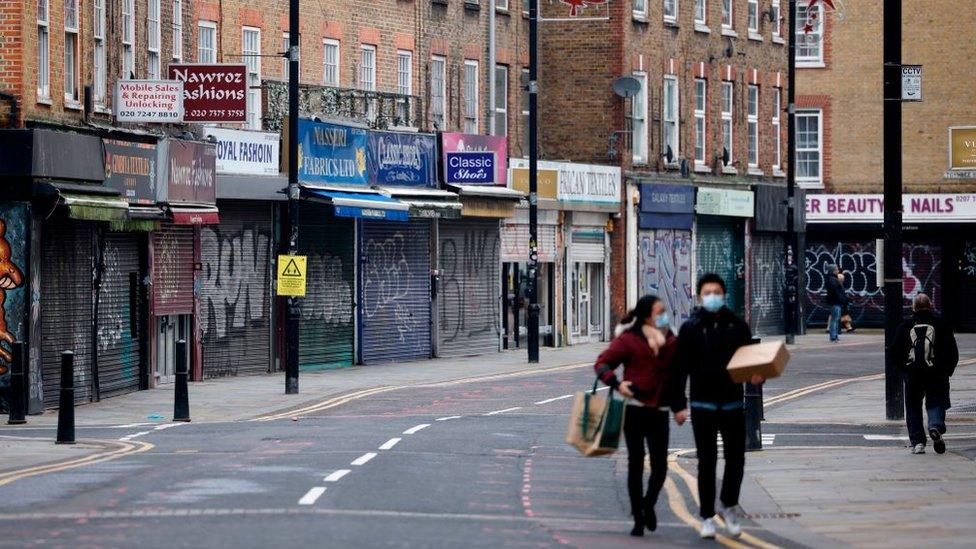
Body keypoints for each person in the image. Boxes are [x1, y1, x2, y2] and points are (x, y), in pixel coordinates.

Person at [670, 273, 764, 539]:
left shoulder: (737, 326)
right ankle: (707, 516)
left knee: (736, 460)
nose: (712, 296)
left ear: (724, 295)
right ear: (700, 297)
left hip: (733, 403)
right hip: (702, 405)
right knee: (707, 462)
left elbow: (752, 361)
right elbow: (679, 370)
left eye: (717, 292)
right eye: (707, 292)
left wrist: (758, 377)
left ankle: (728, 505)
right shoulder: (690, 328)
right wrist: (678, 405)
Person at [593, 295, 678, 537]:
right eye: (659, 311)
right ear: (646, 315)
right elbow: (602, 363)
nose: (663, 315)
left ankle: (648, 503)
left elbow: (679, 370)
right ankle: (638, 518)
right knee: (636, 463)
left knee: (660, 467)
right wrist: (617, 384)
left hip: (660, 409)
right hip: (635, 409)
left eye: (664, 311)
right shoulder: (629, 340)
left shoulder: (670, 339)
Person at [894, 293, 959, 455]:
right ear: (930, 305)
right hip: (936, 373)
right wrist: (947, 371)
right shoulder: (941, 324)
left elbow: (894, 352)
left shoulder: (906, 325)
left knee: (913, 407)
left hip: (913, 374)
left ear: (913, 307)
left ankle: (918, 443)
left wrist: (903, 370)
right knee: (935, 402)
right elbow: (952, 351)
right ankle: (935, 426)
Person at [824, 265, 845, 342]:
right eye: (836, 269)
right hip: (835, 302)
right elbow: (836, 291)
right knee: (834, 319)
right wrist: (841, 298)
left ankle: (835, 336)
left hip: (834, 301)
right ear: (833, 270)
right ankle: (833, 336)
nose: (838, 270)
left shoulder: (831, 279)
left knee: (835, 319)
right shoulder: (832, 280)